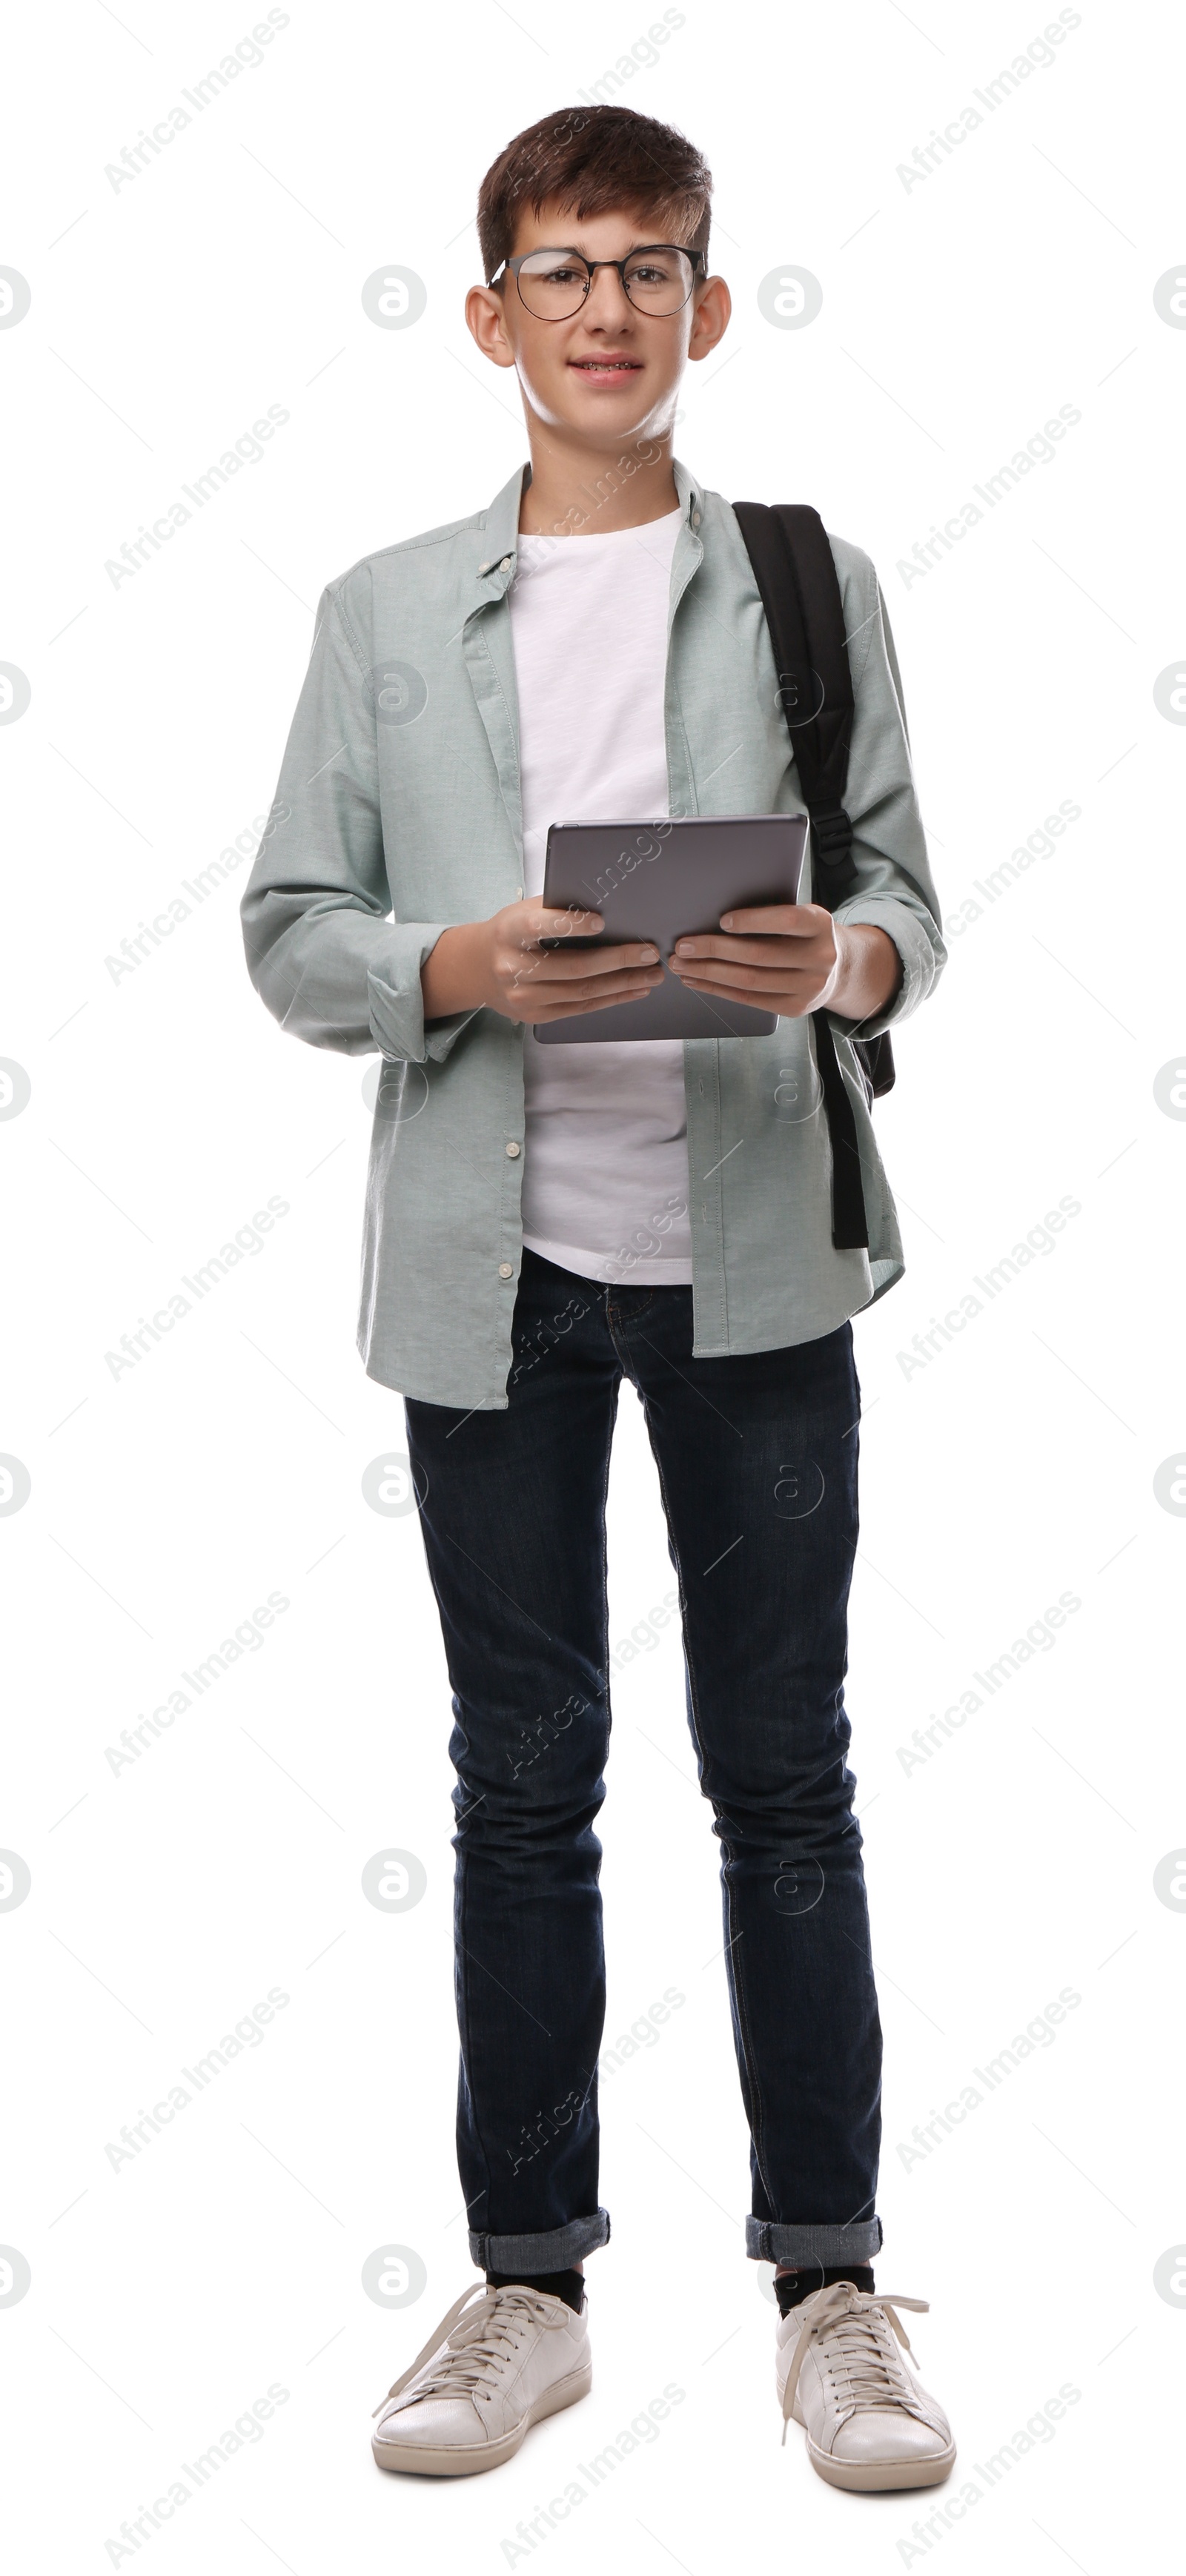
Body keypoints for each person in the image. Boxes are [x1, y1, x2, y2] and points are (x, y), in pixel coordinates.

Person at [240, 101, 955, 2495]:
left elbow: (909, 910)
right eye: (561, 269)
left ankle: (832, 2286)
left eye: (651, 265)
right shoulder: (378, 615)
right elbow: (285, 931)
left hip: (759, 1253)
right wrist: (445, 960)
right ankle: (527, 2284)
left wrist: (835, 955)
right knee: (523, 1784)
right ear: (491, 319)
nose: (607, 308)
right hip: (499, 1275)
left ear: (707, 307)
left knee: (789, 1784)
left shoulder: (806, 583)